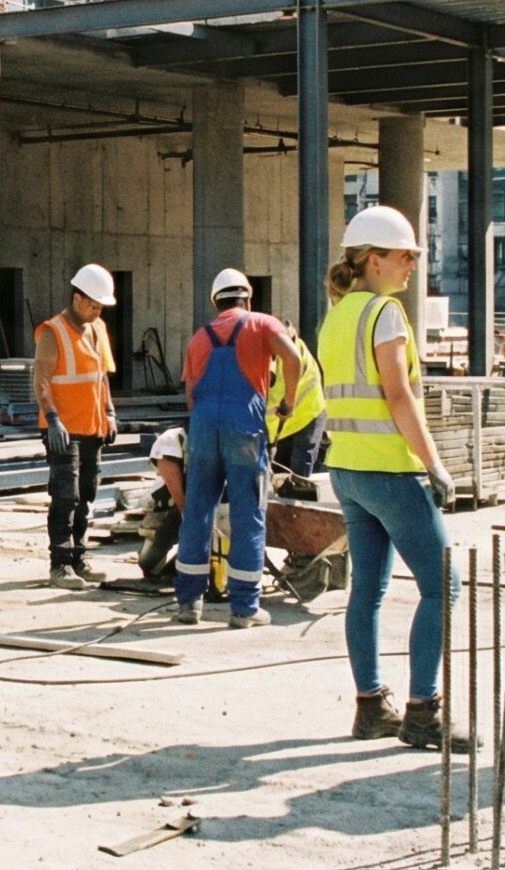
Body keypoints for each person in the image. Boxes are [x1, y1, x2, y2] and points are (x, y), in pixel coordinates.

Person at [319, 206, 468, 751]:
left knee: (369, 591)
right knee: (443, 587)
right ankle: (423, 711)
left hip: (349, 470)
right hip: (388, 469)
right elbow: (398, 395)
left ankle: (370, 708)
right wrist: (435, 464)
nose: (413, 264)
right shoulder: (383, 314)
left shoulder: (336, 316)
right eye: (405, 255)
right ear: (374, 260)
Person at [172, 267, 308, 628]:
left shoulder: (199, 338)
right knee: (248, 512)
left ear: (217, 302)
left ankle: (189, 603)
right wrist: (288, 404)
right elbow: (293, 359)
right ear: (247, 298)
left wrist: (205, 431)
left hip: (202, 425)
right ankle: (244, 608)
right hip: (243, 425)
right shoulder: (262, 323)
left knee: (199, 509)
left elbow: (189, 395)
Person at [36, 264, 120, 590]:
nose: (98, 311)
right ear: (77, 298)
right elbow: (41, 380)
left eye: (101, 307)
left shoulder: (97, 330)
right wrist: (52, 419)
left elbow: (101, 378)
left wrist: (110, 412)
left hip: (92, 426)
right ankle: (60, 565)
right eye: (94, 305)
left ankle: (79, 560)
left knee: (87, 494)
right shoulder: (52, 331)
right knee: (64, 495)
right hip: (63, 429)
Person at [271, 324, 328, 502]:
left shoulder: (289, 360)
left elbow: (275, 402)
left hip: (308, 416)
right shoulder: (288, 349)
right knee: (281, 474)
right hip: (287, 423)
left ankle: (300, 511)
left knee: (298, 476)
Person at [136, 425, 188, 585]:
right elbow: (168, 469)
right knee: (150, 565)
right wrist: (185, 512)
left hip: (215, 506)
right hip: (174, 504)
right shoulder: (174, 438)